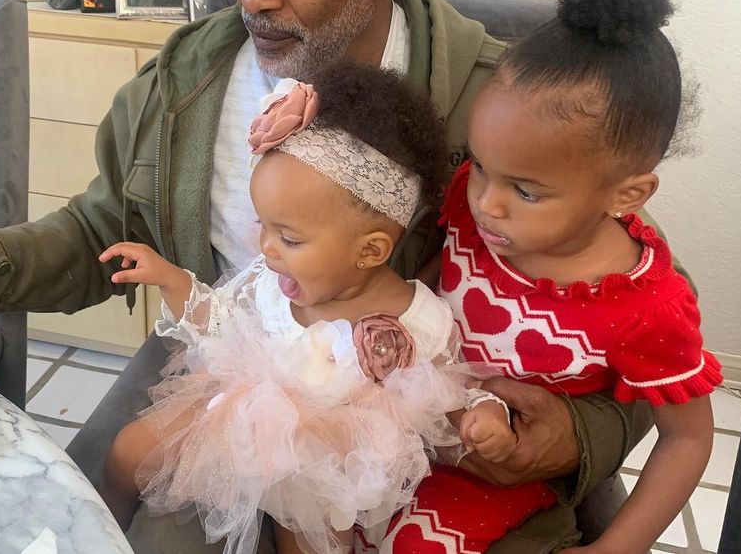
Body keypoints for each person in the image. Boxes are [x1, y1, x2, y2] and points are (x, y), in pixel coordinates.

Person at [0, 0, 663, 550]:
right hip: (221, 352)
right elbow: (102, 230)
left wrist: (580, 435)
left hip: (403, 418)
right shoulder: (184, 80)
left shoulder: (496, 114)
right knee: (81, 511)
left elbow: (632, 314)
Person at [384, 0, 719, 553]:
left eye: (528, 190)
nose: (487, 202)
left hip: (491, 483)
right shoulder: (473, 202)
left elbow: (688, 440)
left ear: (628, 193)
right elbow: (431, 283)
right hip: (393, 430)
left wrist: (614, 548)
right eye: (482, 166)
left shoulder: (648, 306)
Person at [100, 66, 511, 553]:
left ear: (371, 250)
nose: (266, 247)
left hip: (322, 466)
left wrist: (486, 414)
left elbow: (451, 390)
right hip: (233, 419)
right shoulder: (269, 281)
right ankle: (96, 531)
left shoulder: (418, 321)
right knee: (129, 450)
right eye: (264, 225)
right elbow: (223, 323)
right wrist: (172, 280)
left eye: (289, 238)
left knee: (318, 542)